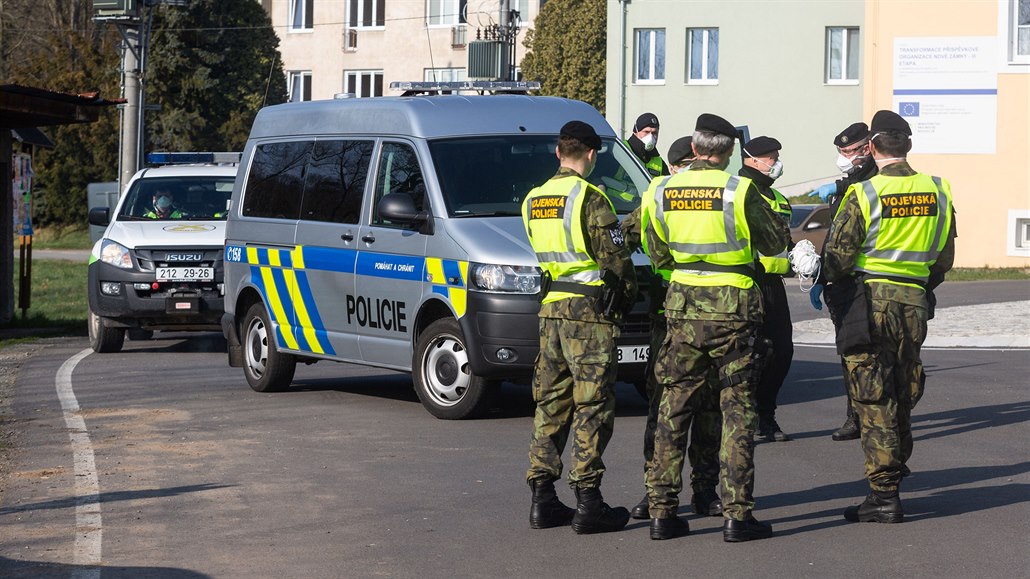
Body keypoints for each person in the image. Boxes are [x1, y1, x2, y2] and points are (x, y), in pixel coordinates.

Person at [643, 113, 790, 541]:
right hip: (734, 310)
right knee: (738, 410)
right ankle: (736, 514)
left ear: (693, 150)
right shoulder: (738, 190)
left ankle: (661, 513)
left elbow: (655, 250)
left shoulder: (660, 189)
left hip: (683, 306)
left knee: (674, 408)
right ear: (727, 153)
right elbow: (775, 242)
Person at [823, 110, 956, 524]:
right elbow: (945, 257)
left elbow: (839, 257)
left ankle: (883, 495)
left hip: (872, 300)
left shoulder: (864, 193)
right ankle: (893, 475)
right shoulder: (938, 188)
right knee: (901, 389)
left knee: (872, 394)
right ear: (908, 147)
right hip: (914, 300)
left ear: (873, 148)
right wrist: (918, 285)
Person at [521, 120, 638, 534]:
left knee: (550, 405)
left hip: (550, 310)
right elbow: (616, 259)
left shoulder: (534, 198)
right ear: (591, 154)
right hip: (588, 315)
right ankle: (589, 502)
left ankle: (543, 498)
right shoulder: (590, 196)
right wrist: (627, 294)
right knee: (592, 406)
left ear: (558, 152)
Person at [622, 136, 723, 522]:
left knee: (701, 406)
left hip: (686, 309)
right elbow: (626, 236)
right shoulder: (658, 193)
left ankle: (701, 489)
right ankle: (660, 491)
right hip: (671, 313)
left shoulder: (667, 193)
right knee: (667, 406)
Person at [810, 122, 878, 441]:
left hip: (869, 283)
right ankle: (855, 415)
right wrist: (823, 278)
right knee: (849, 352)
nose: (844, 157)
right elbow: (836, 237)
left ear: (867, 149)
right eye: (840, 152)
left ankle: (878, 417)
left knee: (875, 356)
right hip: (845, 286)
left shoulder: (874, 183)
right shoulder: (847, 185)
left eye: (849, 151)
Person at [739, 136, 794, 442]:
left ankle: (765, 413)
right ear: (752, 160)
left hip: (773, 284)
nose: (776, 163)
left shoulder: (776, 197)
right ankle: (745, 418)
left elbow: (784, 241)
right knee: (752, 353)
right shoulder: (741, 191)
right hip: (747, 281)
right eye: (771, 158)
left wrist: (802, 255)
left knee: (782, 351)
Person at [626, 113, 670, 178]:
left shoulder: (659, 162)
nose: (651, 137)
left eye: (654, 133)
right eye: (646, 132)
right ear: (636, 131)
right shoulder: (622, 150)